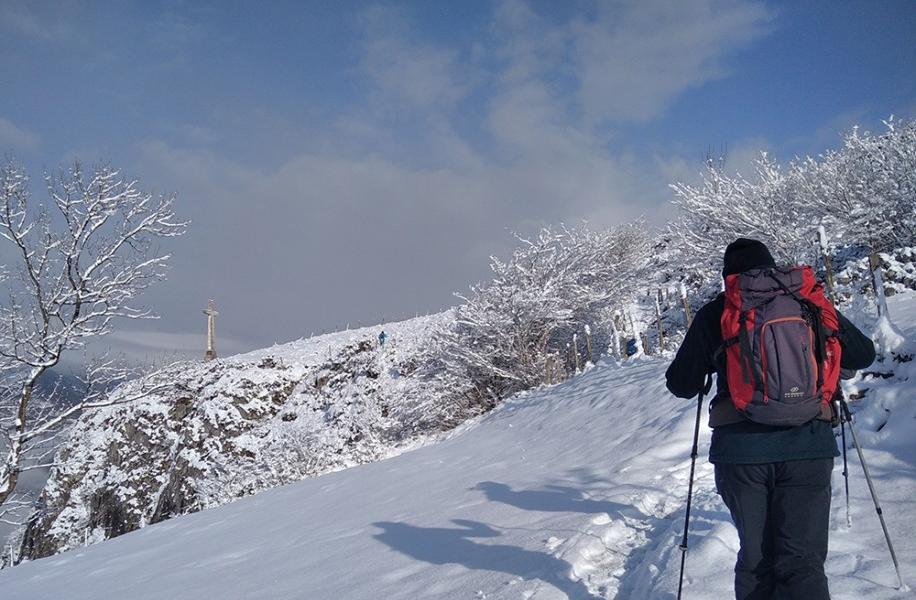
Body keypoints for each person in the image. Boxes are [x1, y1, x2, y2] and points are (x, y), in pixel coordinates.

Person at [665, 238, 876, 600]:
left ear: (728, 277)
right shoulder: (807, 301)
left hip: (742, 454)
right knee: (803, 562)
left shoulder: (718, 312)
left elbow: (681, 384)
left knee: (757, 560)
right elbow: (863, 354)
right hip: (809, 446)